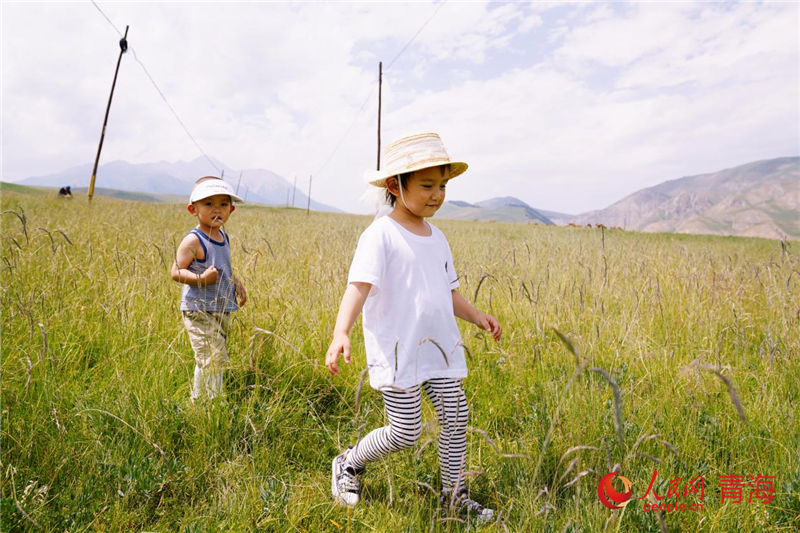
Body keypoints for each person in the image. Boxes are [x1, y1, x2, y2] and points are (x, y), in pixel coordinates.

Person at [325, 133, 502, 521]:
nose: (437, 195)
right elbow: (358, 287)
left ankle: (454, 498)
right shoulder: (380, 234)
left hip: (440, 348)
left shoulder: (438, 238)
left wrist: (477, 316)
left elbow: (448, 292)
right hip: (399, 349)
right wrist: (341, 332)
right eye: (427, 186)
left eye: (443, 186)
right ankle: (349, 463)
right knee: (405, 431)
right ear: (395, 185)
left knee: (456, 419)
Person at [171, 176, 247, 400]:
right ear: (193, 209)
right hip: (199, 309)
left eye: (223, 204)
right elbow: (176, 271)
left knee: (208, 356)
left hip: (221, 308)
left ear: (231, 209)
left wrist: (235, 281)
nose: (217, 209)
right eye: (208, 204)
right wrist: (201, 278)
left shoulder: (223, 236)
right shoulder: (194, 240)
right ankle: (216, 403)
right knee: (214, 358)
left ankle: (198, 399)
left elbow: (223, 266)